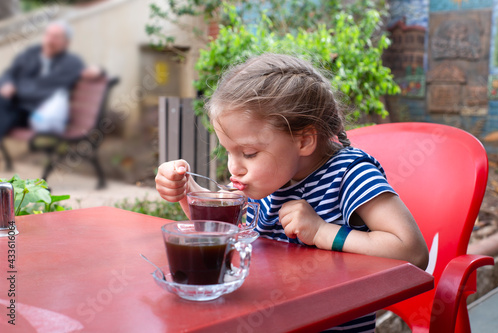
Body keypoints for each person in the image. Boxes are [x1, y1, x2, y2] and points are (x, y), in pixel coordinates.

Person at [155, 54, 429, 332]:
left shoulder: (349, 175)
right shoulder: (269, 180)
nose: (233, 167)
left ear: (304, 140)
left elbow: (413, 251)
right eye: (228, 151)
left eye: (248, 153)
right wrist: (188, 193)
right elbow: (226, 231)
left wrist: (321, 232)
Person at [0, 21, 101, 139]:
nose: (50, 40)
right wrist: (7, 83)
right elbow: (9, 73)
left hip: (36, 113)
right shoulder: (30, 54)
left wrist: (99, 70)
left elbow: (89, 71)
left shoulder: (71, 63)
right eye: (48, 35)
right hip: (12, 105)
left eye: (56, 37)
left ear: (66, 42)